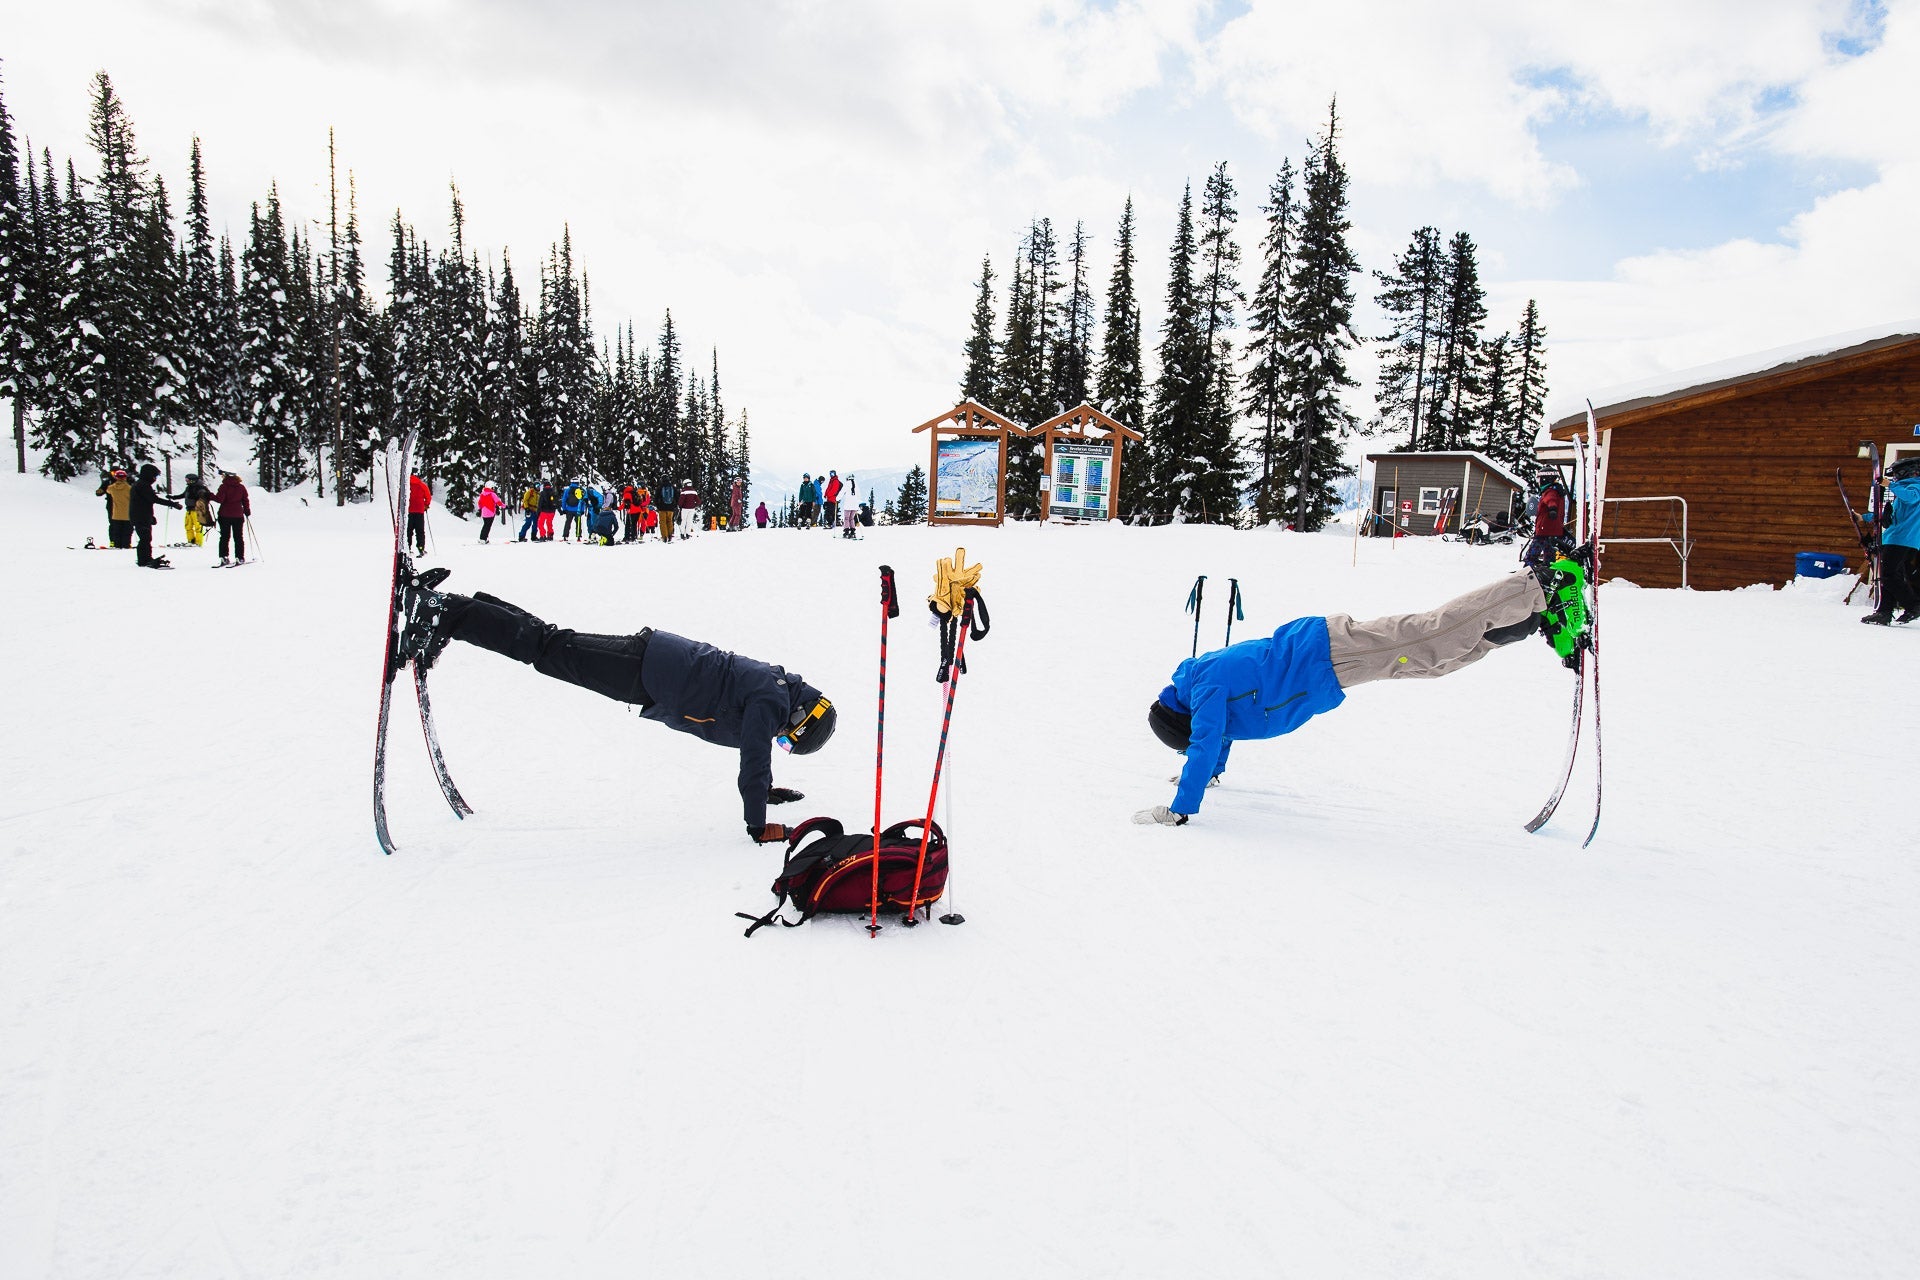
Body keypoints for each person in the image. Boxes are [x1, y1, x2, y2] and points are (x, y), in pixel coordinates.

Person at [1134, 557, 1593, 826]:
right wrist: (1211, 772)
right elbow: (1218, 735)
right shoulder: (1202, 687)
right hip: (1331, 662)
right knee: (1436, 661)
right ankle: (1534, 618)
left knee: (1434, 634)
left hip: (1329, 655)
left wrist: (1180, 809)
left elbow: (1209, 736)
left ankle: (1539, 583)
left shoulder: (1207, 687)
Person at [391, 570, 836, 842]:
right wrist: (758, 822)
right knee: (545, 648)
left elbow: (757, 752)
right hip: (648, 671)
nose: (779, 739)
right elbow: (755, 756)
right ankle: (442, 611)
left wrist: (767, 788)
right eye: (787, 739)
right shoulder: (772, 700)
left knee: (549, 643)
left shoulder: (777, 691)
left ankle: (455, 612)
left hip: (652, 666)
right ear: (800, 719)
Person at [1863, 457, 1920, 625]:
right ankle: (1884, 612)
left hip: (1904, 539)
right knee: (1889, 575)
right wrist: (1863, 517)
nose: (1894, 478)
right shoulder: (1901, 491)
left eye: (1896, 475)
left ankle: (1913, 605)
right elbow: (1891, 517)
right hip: (1895, 537)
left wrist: (1890, 485)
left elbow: (1911, 497)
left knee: (1887, 574)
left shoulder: (1915, 486)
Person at [129, 463, 182, 568]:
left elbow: (145, 502)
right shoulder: (142, 485)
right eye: (155, 476)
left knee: (146, 538)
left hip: (142, 515)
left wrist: (150, 517)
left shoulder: (141, 484)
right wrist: (173, 504)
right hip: (140, 516)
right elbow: (154, 499)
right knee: (145, 538)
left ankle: (146, 558)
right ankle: (143, 560)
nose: (155, 479)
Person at [1523, 469, 1573, 569]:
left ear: (1546, 478)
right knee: (1549, 555)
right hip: (1553, 530)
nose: (1539, 482)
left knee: (1531, 555)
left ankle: (1527, 572)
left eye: (1540, 479)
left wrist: (1552, 509)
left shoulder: (1550, 491)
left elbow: (1551, 500)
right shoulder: (1557, 490)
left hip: (1544, 530)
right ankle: (1547, 571)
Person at [215, 470, 252, 565]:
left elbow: (219, 499)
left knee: (224, 537)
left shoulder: (223, 487)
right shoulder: (241, 487)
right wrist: (247, 510)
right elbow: (245, 500)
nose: (222, 477)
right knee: (238, 537)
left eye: (223, 475)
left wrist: (209, 496)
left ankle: (224, 557)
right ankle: (240, 557)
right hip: (238, 516)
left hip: (224, 515)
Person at [172, 473, 216, 548]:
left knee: (198, 527)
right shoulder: (189, 487)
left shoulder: (200, 488)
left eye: (188, 480)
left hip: (197, 511)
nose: (187, 481)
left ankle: (198, 542)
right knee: (188, 526)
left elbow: (203, 499)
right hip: (189, 510)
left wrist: (196, 497)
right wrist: (173, 497)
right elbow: (183, 495)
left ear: (193, 480)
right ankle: (191, 541)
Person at [95, 469, 134, 548]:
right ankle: (119, 542)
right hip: (116, 506)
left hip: (116, 508)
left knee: (116, 525)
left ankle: (117, 542)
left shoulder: (111, 486)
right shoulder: (110, 482)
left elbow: (103, 491)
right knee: (119, 525)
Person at [407, 473, 432, 556]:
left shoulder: (406, 485)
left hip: (409, 511)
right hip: (419, 511)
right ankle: (421, 548)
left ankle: (407, 548)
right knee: (420, 531)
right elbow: (428, 496)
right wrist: (426, 505)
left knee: (408, 531)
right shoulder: (422, 485)